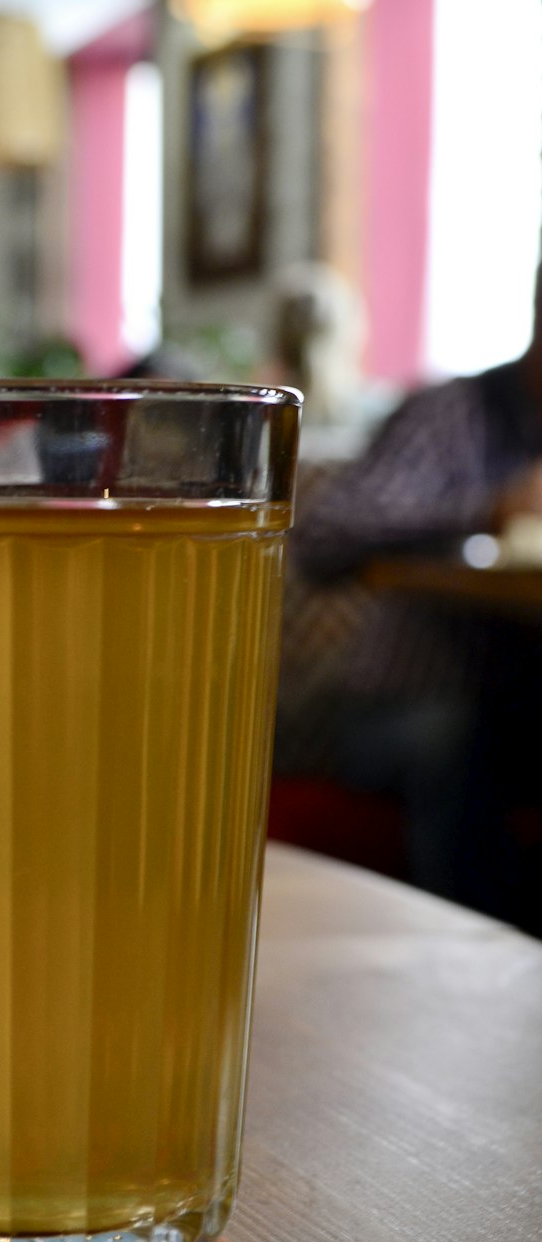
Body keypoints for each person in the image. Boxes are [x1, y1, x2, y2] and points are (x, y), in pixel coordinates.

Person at [289, 267, 542, 928]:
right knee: (460, 740)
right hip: (392, 708)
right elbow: (322, 536)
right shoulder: (454, 414)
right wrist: (488, 509)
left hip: (515, 708)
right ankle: (468, 959)